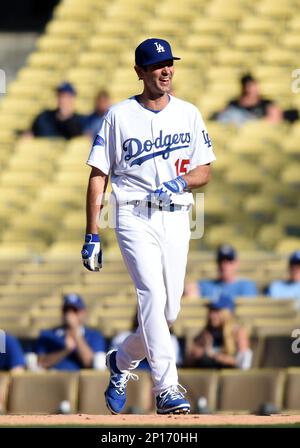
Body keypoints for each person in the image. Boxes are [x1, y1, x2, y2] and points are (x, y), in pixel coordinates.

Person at [81, 37, 216, 415]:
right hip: (133, 215)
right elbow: (98, 175)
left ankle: (121, 361)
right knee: (152, 298)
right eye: (157, 66)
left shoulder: (188, 113)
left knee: (169, 313)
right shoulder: (119, 116)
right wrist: (92, 233)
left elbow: (204, 169)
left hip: (176, 215)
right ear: (140, 72)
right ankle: (166, 389)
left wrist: (184, 181)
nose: (166, 70)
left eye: (169, 63)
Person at [35, 294, 106, 371]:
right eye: (66, 310)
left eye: (74, 310)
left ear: (83, 312)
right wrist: (65, 351)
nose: (69, 314)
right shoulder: (48, 335)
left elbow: (90, 362)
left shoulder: (94, 335)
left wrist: (75, 333)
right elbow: (40, 363)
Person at [185, 294, 252, 369]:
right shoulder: (206, 333)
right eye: (211, 311)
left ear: (227, 313)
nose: (212, 315)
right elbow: (189, 360)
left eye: (216, 311)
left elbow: (243, 364)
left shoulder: (238, 332)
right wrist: (197, 353)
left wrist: (217, 357)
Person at [110, 313, 183, 369]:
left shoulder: (170, 339)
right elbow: (113, 363)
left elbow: (174, 365)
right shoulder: (122, 337)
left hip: (158, 375)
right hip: (130, 375)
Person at [184, 244, 258, 300]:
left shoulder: (246, 286)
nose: (224, 265)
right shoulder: (205, 285)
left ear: (236, 263)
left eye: (229, 261)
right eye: (221, 261)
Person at [214, 73, 282, 126]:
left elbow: (275, 120)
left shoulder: (266, 103)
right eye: (248, 86)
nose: (252, 89)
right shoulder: (234, 104)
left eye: (254, 86)